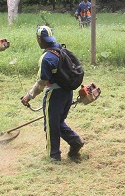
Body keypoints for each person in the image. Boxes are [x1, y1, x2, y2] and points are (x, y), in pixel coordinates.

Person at [21, 25, 84, 162]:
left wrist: (28, 96)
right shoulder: (62, 50)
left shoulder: (47, 58)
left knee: (51, 125)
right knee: (57, 122)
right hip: (67, 93)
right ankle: (75, 142)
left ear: (39, 39)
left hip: (54, 95)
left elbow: (41, 83)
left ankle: (53, 156)